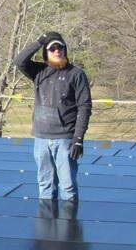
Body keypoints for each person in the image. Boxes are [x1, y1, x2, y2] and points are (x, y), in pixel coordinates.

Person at [14, 31, 92, 201]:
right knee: (45, 185)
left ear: (65, 50)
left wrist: (78, 138)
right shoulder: (39, 72)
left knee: (68, 186)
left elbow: (84, 107)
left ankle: (69, 226)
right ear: (46, 52)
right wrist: (40, 41)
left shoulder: (76, 74)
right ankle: (47, 225)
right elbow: (19, 61)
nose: (57, 51)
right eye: (52, 48)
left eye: (60, 47)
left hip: (65, 139)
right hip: (41, 138)